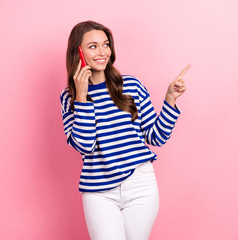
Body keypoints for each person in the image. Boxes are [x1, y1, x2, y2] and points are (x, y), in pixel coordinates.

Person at [60, 20, 190, 240]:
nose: (102, 52)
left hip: (140, 185)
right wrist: (81, 98)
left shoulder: (131, 85)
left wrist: (170, 100)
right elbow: (84, 146)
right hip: (99, 190)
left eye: (106, 44)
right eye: (93, 46)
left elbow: (156, 137)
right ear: (78, 52)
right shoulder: (69, 97)